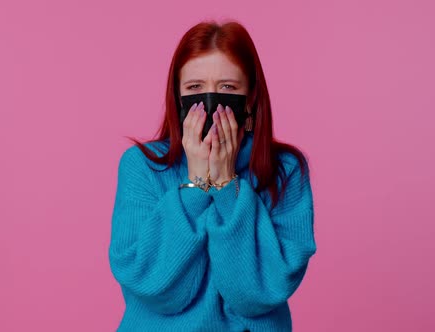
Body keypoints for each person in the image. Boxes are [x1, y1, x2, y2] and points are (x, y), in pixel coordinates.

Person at [108, 20, 317, 332]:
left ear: (250, 98)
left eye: (227, 88)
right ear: (178, 98)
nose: (210, 101)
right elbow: (155, 289)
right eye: (194, 88)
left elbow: (259, 295)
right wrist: (196, 184)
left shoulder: (285, 171)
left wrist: (225, 184)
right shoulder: (142, 167)